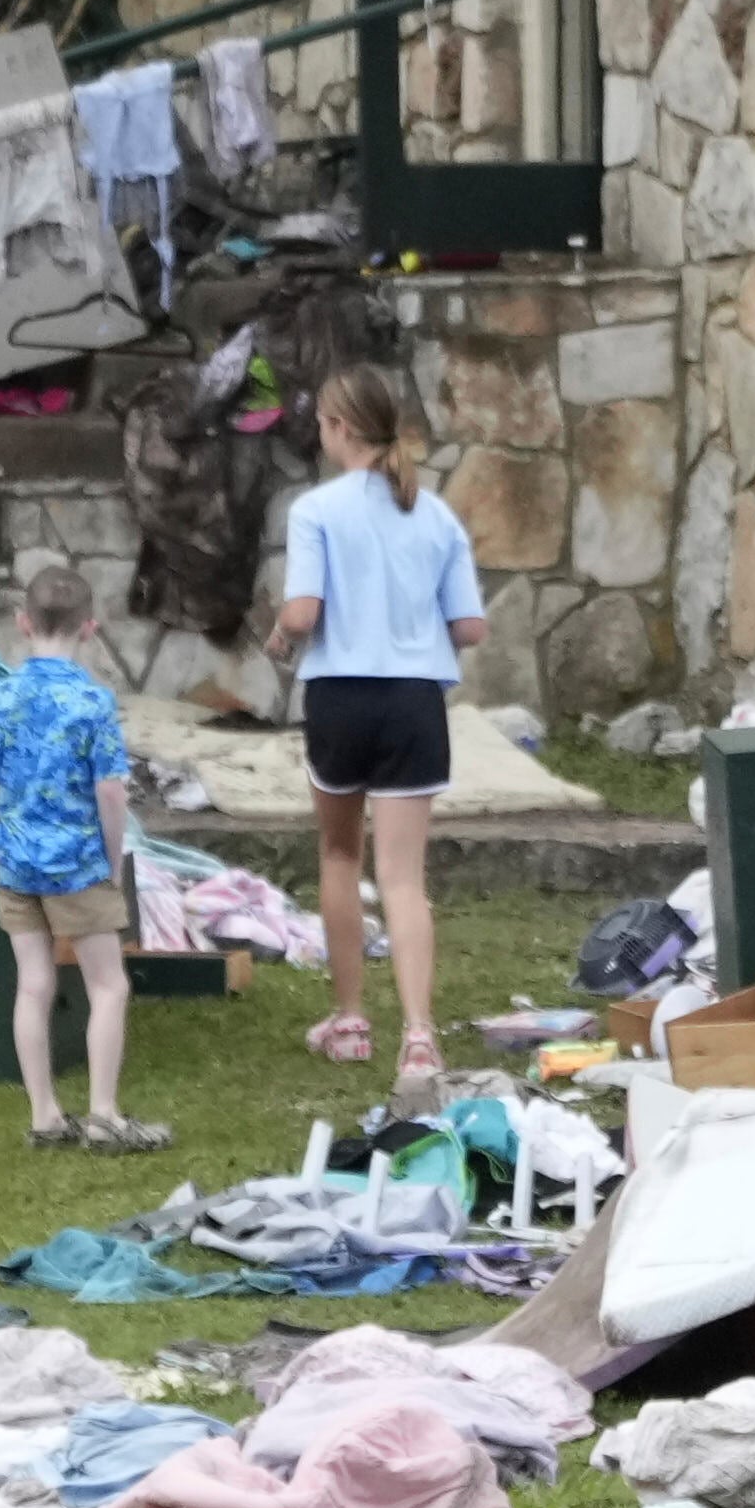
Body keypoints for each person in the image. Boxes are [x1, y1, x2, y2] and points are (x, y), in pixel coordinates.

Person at [261, 366, 487, 1113]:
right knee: (404, 878)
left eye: (323, 423)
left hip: (341, 696)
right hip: (416, 699)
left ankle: (351, 1017)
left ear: (341, 428)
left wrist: (276, 635)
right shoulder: (437, 516)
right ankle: (419, 1033)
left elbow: (302, 613)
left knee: (338, 853)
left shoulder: (316, 509)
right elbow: (469, 628)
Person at [0, 564, 156, 1152]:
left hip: (17, 860)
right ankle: (103, 1114)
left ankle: (45, 1115)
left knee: (33, 984)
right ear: (90, 629)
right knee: (109, 986)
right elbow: (109, 790)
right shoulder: (93, 702)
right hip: (78, 861)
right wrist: (112, 852)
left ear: (22, 624)